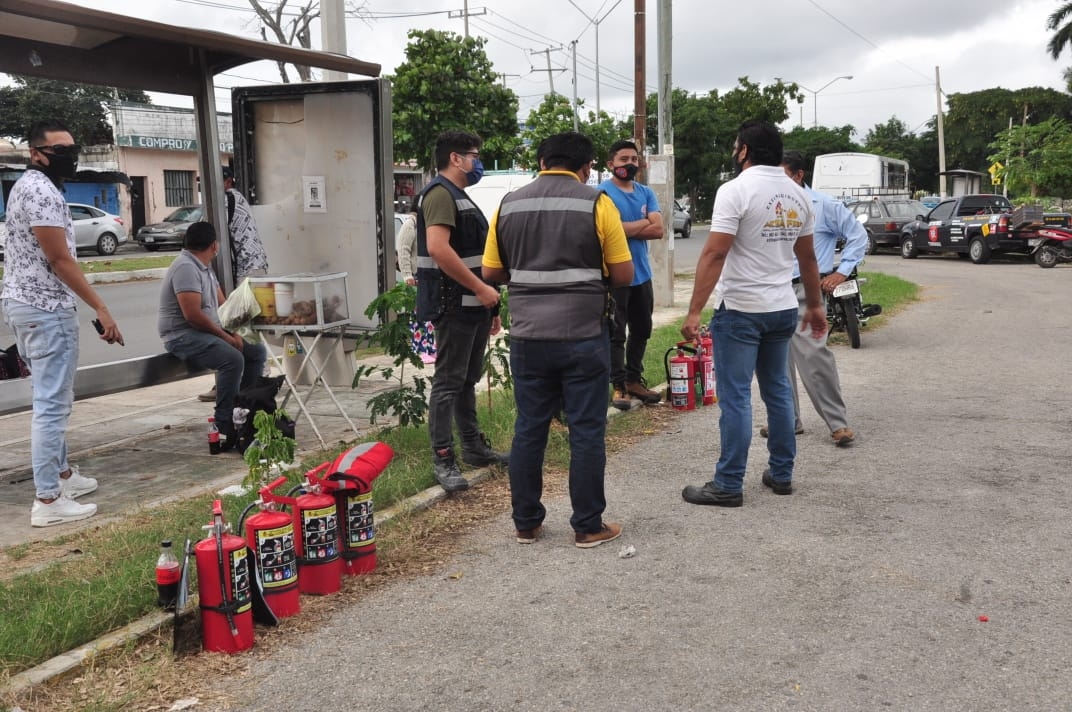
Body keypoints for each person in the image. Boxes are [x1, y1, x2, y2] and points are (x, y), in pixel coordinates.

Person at [483, 131, 633, 548]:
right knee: (586, 430)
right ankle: (587, 525)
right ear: (586, 168)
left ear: (541, 160)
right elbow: (623, 275)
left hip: (529, 337)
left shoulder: (509, 204)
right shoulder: (597, 203)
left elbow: (492, 272)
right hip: (584, 335)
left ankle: (526, 523)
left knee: (529, 427)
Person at [680, 120, 826, 507]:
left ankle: (728, 483)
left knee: (737, 397)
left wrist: (694, 312)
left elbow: (715, 252)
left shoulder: (735, 190)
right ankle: (782, 474)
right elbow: (808, 257)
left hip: (741, 309)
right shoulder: (798, 195)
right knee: (777, 390)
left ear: (744, 150)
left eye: (735, 145)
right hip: (781, 308)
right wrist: (814, 305)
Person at [1, 119, 124, 527]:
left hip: (28, 306)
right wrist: (101, 307)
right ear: (37, 153)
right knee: (52, 407)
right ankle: (48, 500)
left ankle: (63, 477)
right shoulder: (39, 191)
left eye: (73, 148)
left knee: (47, 398)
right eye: (60, 150)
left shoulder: (29, 187)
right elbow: (59, 260)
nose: (68, 156)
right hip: (45, 310)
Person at [416, 129, 508, 493]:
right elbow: (438, 249)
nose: (477, 162)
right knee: (448, 383)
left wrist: (491, 303)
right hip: (453, 305)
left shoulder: (460, 196)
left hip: (475, 306)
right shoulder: (440, 194)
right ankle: (444, 457)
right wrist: (480, 289)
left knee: (467, 379)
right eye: (474, 155)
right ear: (455, 158)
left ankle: (473, 448)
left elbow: (475, 256)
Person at [773, 150, 865, 447]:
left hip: (805, 291)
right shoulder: (772, 203)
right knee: (777, 361)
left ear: (799, 175)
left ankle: (837, 424)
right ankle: (787, 421)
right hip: (773, 291)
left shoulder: (824, 205)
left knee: (814, 357)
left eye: (783, 175)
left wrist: (843, 271)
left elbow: (858, 236)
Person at [158, 221, 267, 449]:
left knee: (255, 350)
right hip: (181, 335)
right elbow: (193, 316)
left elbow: (224, 306)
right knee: (232, 358)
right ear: (214, 246)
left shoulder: (205, 267)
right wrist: (226, 337)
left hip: (205, 331)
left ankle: (245, 410)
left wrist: (235, 331)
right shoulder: (185, 268)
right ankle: (224, 422)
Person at [598, 139, 664, 409]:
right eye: (624, 159)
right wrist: (643, 223)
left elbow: (658, 230)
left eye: (634, 159)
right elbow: (613, 231)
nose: (630, 164)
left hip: (642, 276)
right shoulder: (600, 194)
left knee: (642, 329)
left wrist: (625, 227)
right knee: (616, 332)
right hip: (614, 276)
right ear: (610, 164)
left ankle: (634, 380)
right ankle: (619, 386)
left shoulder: (646, 192)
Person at [199, 167, 269, 403]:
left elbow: (213, 233)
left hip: (247, 271)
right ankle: (238, 381)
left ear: (228, 181)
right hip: (250, 268)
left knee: (238, 327)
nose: (204, 188)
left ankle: (251, 380)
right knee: (239, 327)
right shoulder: (233, 199)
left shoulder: (228, 199)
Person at [397, 207, 436, 363]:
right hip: (416, 275)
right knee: (420, 314)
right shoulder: (410, 224)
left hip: (427, 273)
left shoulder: (425, 224)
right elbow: (403, 249)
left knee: (430, 313)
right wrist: (406, 274)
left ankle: (431, 348)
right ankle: (422, 350)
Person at [222, 166, 268, 280]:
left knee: (243, 298)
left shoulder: (227, 197)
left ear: (228, 182)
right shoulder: (237, 196)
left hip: (248, 267)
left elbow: (213, 227)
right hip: (255, 263)